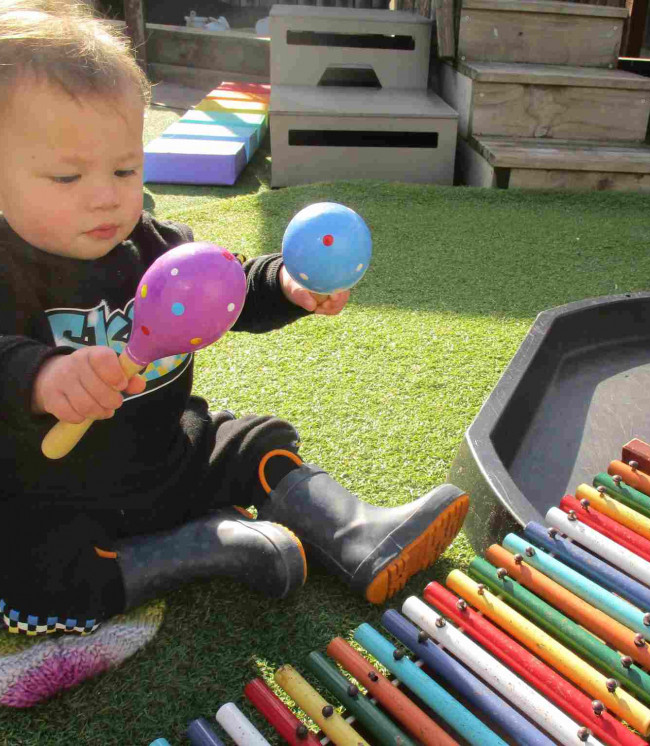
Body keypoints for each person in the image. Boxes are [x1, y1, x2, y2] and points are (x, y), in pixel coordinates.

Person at [0, 0, 468, 639]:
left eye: (125, 168)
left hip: (168, 458)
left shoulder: (155, 247)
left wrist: (284, 282)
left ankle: (356, 532)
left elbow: (227, 291)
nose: (105, 194)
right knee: (28, 561)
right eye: (66, 175)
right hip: (52, 494)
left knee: (250, 441)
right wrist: (40, 374)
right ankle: (201, 549)